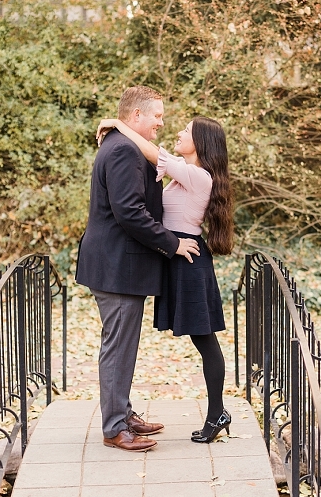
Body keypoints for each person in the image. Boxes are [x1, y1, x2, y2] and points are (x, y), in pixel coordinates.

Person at [76, 85, 201, 452]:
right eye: (157, 116)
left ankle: (123, 413)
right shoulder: (122, 151)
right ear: (137, 116)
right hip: (116, 266)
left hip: (122, 266)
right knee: (117, 347)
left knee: (124, 344)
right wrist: (173, 243)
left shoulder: (125, 145)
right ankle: (115, 428)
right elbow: (130, 213)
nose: (162, 122)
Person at [97, 114, 235, 444]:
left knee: (205, 339)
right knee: (201, 339)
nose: (177, 132)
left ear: (200, 143)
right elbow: (151, 165)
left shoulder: (199, 176)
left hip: (189, 261)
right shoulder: (181, 176)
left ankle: (217, 411)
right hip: (178, 258)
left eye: (185, 131)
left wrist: (118, 123)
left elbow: (152, 151)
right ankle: (216, 411)